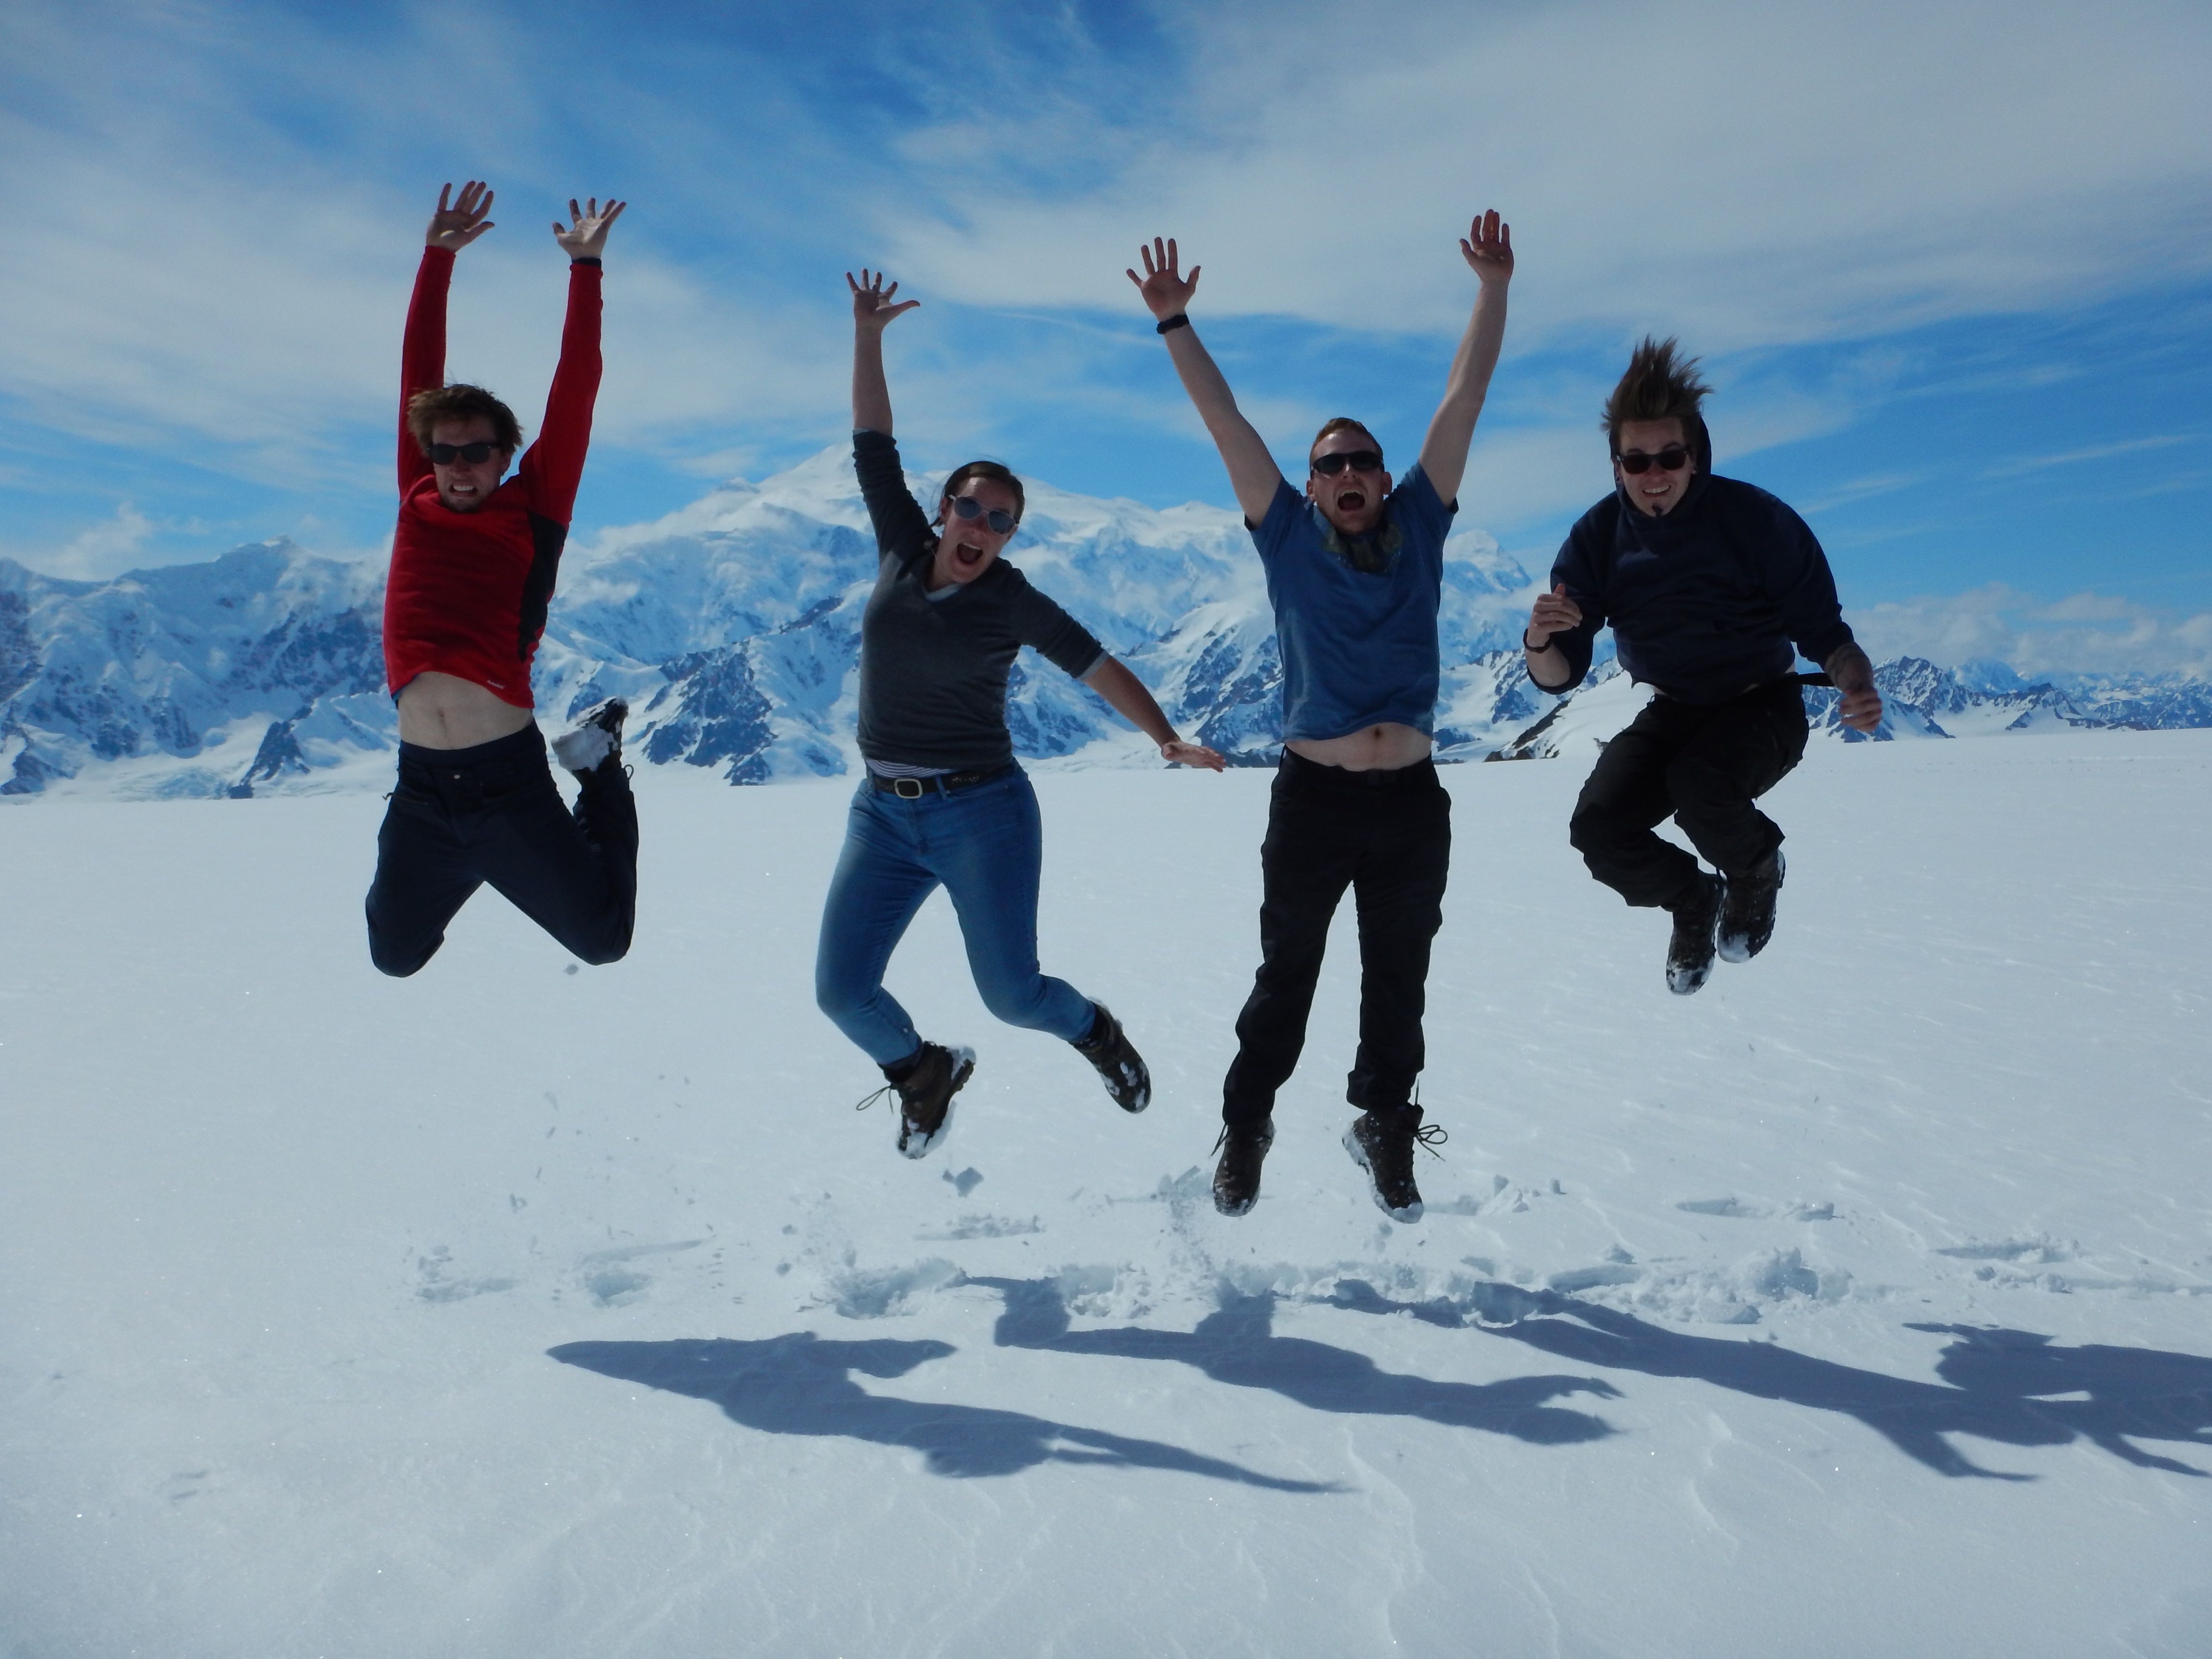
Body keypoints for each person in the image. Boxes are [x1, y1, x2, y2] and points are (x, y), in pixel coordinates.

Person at [1127, 213, 1515, 1223]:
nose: (1348, 475)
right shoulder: (1288, 538)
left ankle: (1385, 1123)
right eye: (1330, 465)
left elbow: (1464, 400)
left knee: (1398, 979)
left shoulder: (1421, 523)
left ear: (1386, 478)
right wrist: (1175, 324)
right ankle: (1246, 1127)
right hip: (1314, 802)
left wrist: (1492, 290)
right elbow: (1226, 424)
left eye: (1363, 462)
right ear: (1309, 486)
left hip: (1412, 803)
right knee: (1287, 975)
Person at [817, 270, 1226, 1159]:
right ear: (944, 510)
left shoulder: (1011, 600)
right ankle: (923, 1071)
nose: (980, 526)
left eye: (999, 520)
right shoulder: (902, 544)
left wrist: (1165, 739)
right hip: (881, 813)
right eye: (969, 508)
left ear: (1010, 536)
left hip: (982, 813)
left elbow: (1097, 665)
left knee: (1012, 996)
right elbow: (872, 444)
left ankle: (1094, 1032)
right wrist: (868, 336)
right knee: (842, 994)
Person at [1524, 337, 1883, 995]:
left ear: (1696, 456)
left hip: (1762, 704)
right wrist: (1539, 641)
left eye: (1669, 456)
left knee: (1700, 787)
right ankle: (1693, 900)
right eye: (1637, 460)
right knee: (1599, 829)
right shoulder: (1596, 540)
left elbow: (1826, 633)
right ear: (1616, 466)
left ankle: (1757, 869)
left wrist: (1855, 682)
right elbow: (1560, 675)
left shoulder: (1757, 522)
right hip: (1674, 710)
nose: (1654, 473)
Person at [365, 181, 638, 978]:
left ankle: (598, 768)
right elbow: (417, 376)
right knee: (395, 957)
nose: (459, 467)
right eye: (445, 452)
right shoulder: (416, 494)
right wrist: (436, 257)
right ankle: (485, 866)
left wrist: (585, 270)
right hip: (421, 789)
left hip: (506, 786)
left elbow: (576, 389)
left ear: (504, 455)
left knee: (603, 940)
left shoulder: (535, 507)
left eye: (476, 452)